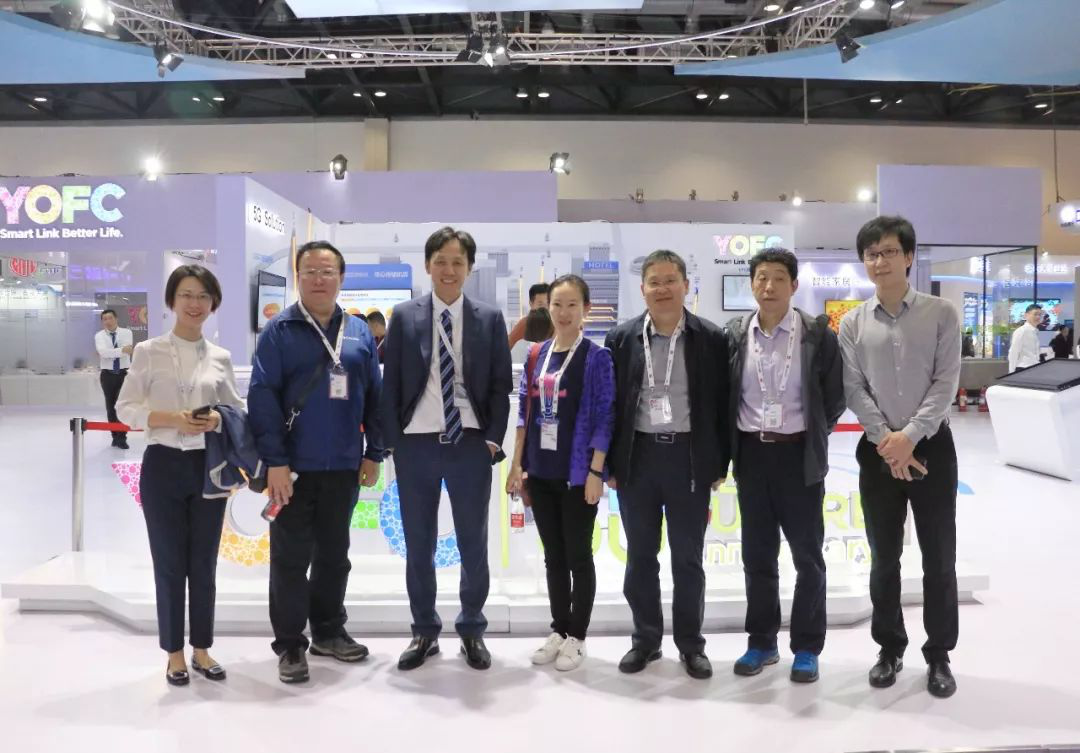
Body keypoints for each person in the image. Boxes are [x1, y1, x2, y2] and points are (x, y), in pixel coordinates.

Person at [248, 240, 386, 685]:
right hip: (293, 469)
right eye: (310, 271)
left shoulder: (358, 331)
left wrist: (374, 452)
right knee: (290, 558)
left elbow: (375, 395)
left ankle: (328, 631)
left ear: (341, 278)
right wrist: (274, 462)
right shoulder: (279, 331)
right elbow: (262, 397)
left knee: (334, 556)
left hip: (344, 465)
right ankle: (290, 643)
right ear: (298, 277)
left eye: (327, 271)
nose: (319, 279)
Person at [839, 215, 961, 699]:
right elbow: (853, 387)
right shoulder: (852, 322)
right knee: (884, 558)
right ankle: (889, 648)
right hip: (878, 453)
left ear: (908, 257)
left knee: (939, 557)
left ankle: (939, 655)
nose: (880, 261)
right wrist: (887, 441)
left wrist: (909, 436)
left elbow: (945, 382)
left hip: (933, 448)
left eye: (889, 251)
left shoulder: (941, 313)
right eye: (872, 254)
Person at [381, 226, 512, 671]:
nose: (449, 270)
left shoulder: (489, 318)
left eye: (458, 262)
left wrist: (491, 441)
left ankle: (472, 628)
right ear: (427, 266)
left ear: (469, 268)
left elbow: (500, 386)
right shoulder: (404, 316)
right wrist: (393, 443)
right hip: (416, 446)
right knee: (418, 545)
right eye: (441, 261)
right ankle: (424, 630)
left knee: (473, 543)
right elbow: (391, 385)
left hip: (470, 445)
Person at [604, 249, 730, 680]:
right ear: (642, 289)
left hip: (688, 458)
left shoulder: (710, 338)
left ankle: (691, 645)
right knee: (640, 557)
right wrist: (611, 464)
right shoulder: (622, 339)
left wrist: (719, 462)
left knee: (688, 558)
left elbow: (722, 405)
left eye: (670, 280)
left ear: (685, 285)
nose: (662, 289)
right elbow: (611, 406)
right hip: (637, 458)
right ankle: (645, 640)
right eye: (654, 282)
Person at [115, 265, 244, 686]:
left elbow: (236, 410)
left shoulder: (220, 357)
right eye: (187, 294)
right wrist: (170, 418)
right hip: (163, 465)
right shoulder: (148, 351)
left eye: (203, 296)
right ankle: (173, 653)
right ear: (172, 300)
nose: (195, 303)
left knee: (204, 563)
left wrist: (216, 421)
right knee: (169, 564)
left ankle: (202, 649)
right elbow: (126, 408)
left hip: (207, 467)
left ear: (213, 304)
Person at [725, 248, 845, 684]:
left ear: (794, 285)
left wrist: (810, 434)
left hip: (799, 457)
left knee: (807, 557)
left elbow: (834, 398)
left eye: (779, 277)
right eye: (761, 277)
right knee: (757, 556)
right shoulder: (735, 334)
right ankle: (761, 642)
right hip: (752, 456)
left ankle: (807, 647)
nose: (769, 286)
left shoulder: (817, 335)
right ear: (751, 284)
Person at [506, 275, 615, 672]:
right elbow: (525, 412)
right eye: (557, 305)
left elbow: (605, 415)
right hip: (541, 470)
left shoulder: (597, 357)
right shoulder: (537, 354)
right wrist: (518, 464)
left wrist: (596, 471)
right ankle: (559, 629)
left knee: (578, 556)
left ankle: (577, 637)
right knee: (553, 556)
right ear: (546, 308)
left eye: (572, 305)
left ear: (586, 310)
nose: (564, 313)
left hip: (577, 474)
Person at [95, 308, 134, 449]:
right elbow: (103, 353)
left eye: (110, 318)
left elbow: (128, 351)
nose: (108, 321)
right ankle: (115, 437)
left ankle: (122, 437)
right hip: (107, 375)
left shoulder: (127, 332)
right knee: (110, 407)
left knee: (122, 406)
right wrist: (121, 350)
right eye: (104, 319)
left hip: (124, 374)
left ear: (116, 319)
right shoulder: (99, 336)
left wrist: (113, 352)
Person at [509, 283, 551, 348]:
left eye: (548, 304)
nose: (546, 308)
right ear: (531, 303)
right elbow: (508, 346)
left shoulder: (556, 323)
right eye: (540, 305)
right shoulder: (525, 324)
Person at [1008, 304, 1042, 372]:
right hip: (1024, 368)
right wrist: (1011, 372)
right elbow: (1013, 352)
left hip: (1035, 368)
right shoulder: (1021, 331)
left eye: (1040, 315)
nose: (1038, 317)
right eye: (1035, 314)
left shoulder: (1035, 331)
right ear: (1026, 315)